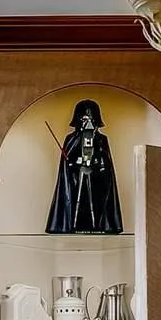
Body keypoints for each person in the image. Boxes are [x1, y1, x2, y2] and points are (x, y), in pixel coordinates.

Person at [47, 98, 124, 235]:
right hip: (76, 177)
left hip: (96, 178)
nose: (87, 123)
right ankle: (73, 224)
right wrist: (74, 164)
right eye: (84, 119)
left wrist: (98, 165)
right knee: (76, 201)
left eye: (90, 119)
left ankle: (98, 225)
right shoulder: (71, 139)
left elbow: (105, 161)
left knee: (96, 201)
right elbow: (67, 161)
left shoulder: (101, 139)